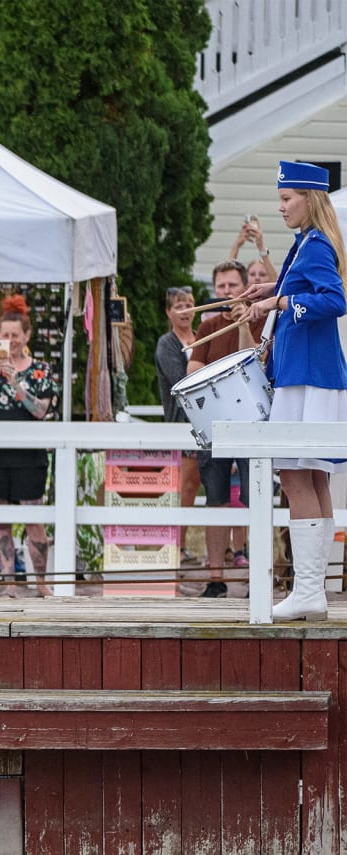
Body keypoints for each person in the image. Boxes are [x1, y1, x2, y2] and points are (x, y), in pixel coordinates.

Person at [240, 161, 347, 622]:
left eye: (287, 199)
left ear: (310, 198)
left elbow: (336, 299)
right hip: (310, 372)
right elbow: (308, 287)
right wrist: (274, 286)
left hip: (307, 375)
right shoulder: (307, 243)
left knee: (295, 475)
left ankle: (308, 592)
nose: (281, 207)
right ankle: (313, 591)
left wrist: (280, 300)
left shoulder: (317, 244)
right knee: (314, 476)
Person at [0, 294, 58, 597]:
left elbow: (41, 411)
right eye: (4, 335)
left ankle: (41, 582)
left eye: (15, 335)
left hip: (29, 456)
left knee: (34, 521)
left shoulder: (41, 370)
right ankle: (9, 583)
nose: (10, 340)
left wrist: (16, 383)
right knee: (1, 521)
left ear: (27, 336)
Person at [184, 260, 256, 596]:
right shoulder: (207, 326)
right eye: (221, 286)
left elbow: (254, 364)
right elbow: (193, 370)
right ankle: (215, 577)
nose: (226, 292)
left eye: (232, 285)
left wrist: (242, 322)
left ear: (245, 287)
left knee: (253, 500)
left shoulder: (260, 321)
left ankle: (259, 573)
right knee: (215, 499)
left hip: (250, 427)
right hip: (213, 425)